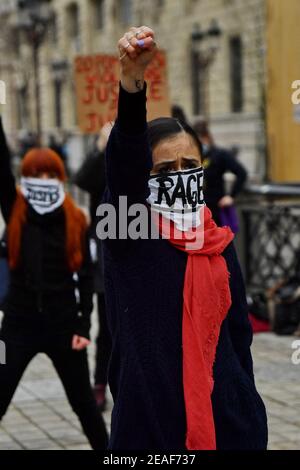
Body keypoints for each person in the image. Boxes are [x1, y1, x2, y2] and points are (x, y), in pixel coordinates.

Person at [100, 26, 268, 451]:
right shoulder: (128, 232)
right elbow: (122, 164)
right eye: (163, 170)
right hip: (153, 429)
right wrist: (133, 84)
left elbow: (239, 338)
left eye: (188, 164)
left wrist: (247, 406)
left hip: (229, 423)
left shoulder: (218, 241)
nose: (178, 175)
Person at [0, 115, 108, 450]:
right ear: (25, 178)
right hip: (18, 325)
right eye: (36, 174)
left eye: (50, 174)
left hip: (63, 326)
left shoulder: (75, 217)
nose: (43, 180)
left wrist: (81, 325)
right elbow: (0, 163)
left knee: (85, 406)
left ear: (59, 178)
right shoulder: (16, 208)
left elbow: (87, 277)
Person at [73, 124, 113, 411]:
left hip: (140, 247)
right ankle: (100, 384)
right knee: (108, 328)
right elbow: (83, 179)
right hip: (106, 255)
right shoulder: (99, 163)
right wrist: (102, 145)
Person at [193, 119, 247, 227]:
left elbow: (241, 173)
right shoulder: (194, 157)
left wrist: (231, 196)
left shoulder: (220, 155)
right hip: (197, 212)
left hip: (216, 210)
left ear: (207, 137)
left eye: (201, 141)